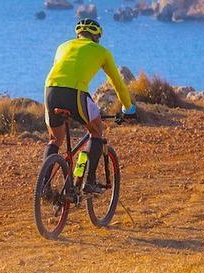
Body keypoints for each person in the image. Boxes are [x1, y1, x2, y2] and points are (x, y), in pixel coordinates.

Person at [43, 18, 136, 193]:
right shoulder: (102, 51)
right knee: (96, 130)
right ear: (97, 37)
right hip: (75, 92)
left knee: (55, 139)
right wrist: (128, 108)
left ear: (78, 35)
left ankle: (44, 188)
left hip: (50, 90)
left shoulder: (62, 47)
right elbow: (117, 83)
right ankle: (90, 182)